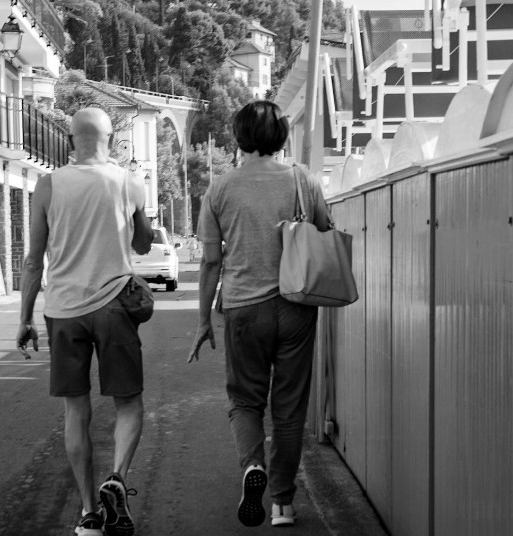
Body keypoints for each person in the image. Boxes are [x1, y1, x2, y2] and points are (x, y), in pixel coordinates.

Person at [187, 101, 332, 528]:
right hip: (296, 306)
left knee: (245, 401)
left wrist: (203, 321)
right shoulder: (303, 180)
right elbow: (325, 232)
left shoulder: (220, 188)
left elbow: (210, 262)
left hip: (243, 309)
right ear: (282, 135)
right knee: (289, 407)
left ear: (239, 137)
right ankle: (282, 504)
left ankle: (253, 466)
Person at [16, 107, 154, 536]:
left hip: (63, 311)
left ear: (71, 140)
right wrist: (135, 214)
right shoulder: (129, 181)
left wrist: (24, 318)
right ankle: (117, 478)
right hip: (114, 306)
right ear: (110, 140)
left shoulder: (48, 185)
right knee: (128, 403)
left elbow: (33, 260)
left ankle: (90, 514)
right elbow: (143, 244)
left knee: (76, 410)